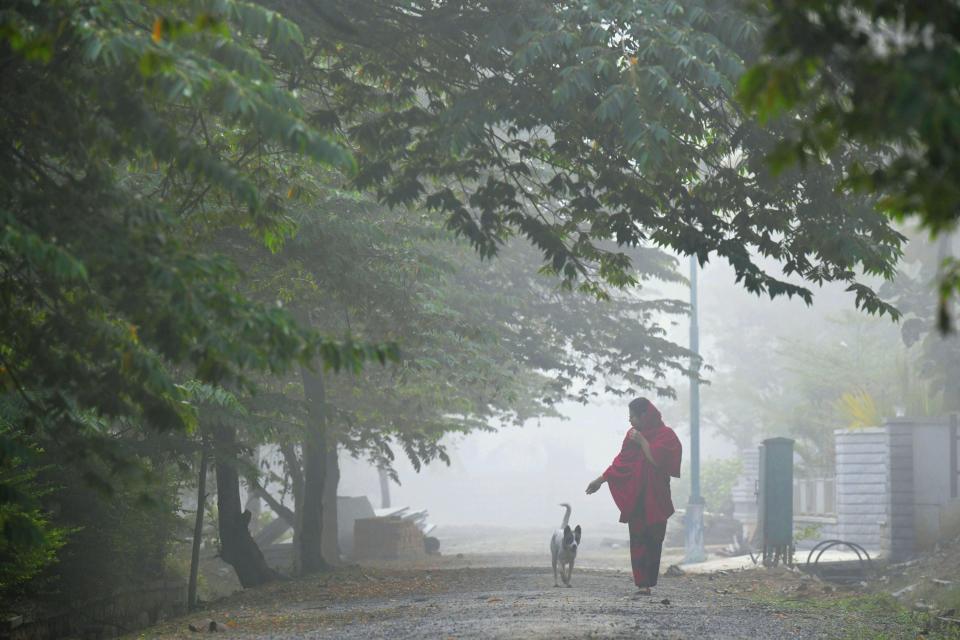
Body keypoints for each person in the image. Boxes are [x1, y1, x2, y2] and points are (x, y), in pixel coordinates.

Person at [585, 398, 682, 595]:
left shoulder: (666, 436)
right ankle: (642, 584)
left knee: (654, 539)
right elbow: (621, 463)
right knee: (638, 539)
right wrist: (599, 481)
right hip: (637, 497)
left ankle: (649, 580)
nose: (630, 421)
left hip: (657, 497)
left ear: (644, 416)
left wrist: (643, 442)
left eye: (632, 416)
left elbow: (658, 461)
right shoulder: (631, 437)